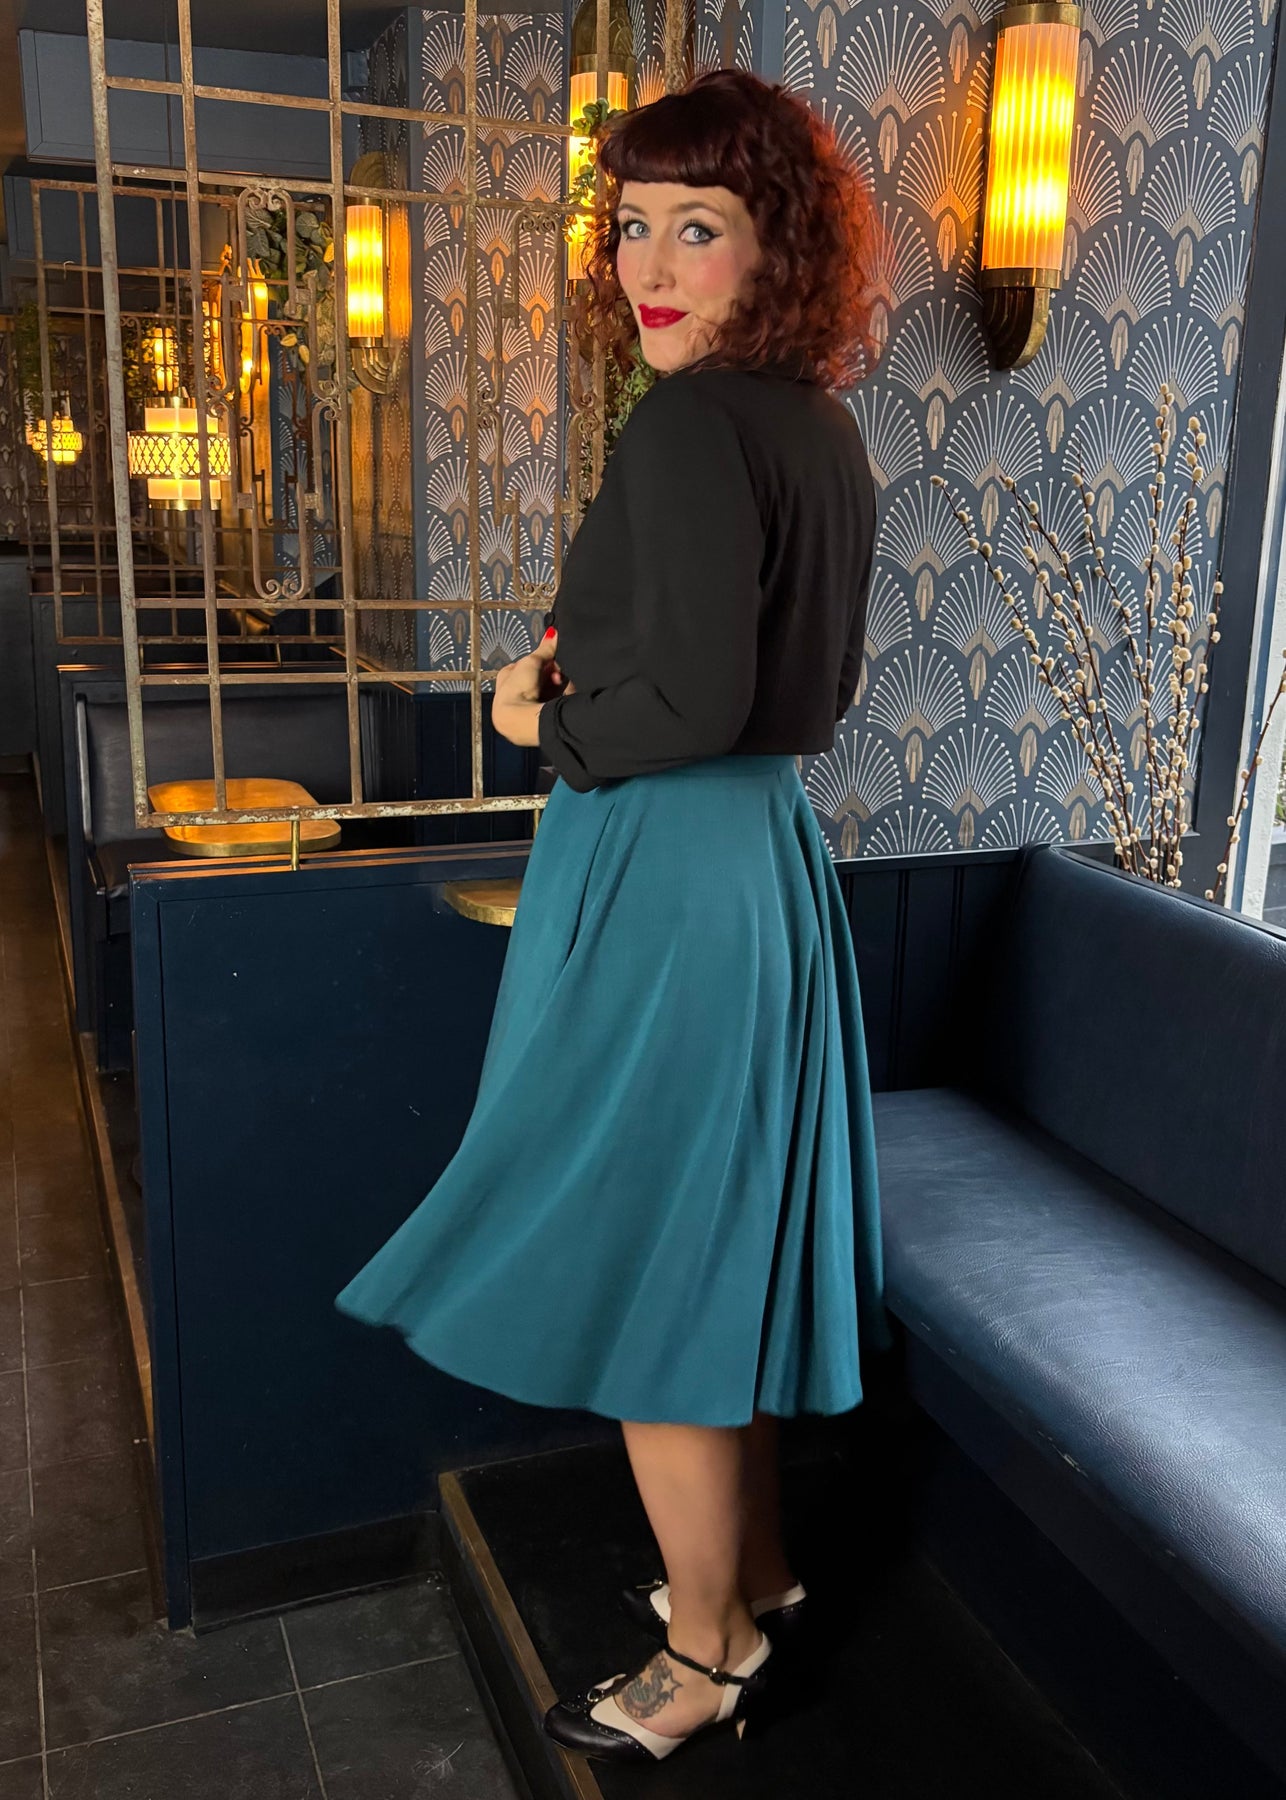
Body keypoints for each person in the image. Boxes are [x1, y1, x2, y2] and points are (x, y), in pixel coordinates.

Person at [334, 65, 889, 1765]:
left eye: (695, 228)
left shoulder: (692, 423)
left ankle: (709, 1651)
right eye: (632, 225)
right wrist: (603, 677)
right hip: (757, 865)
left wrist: (538, 719)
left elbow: (696, 700)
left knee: (657, 1264)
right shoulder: (819, 427)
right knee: (710, 1247)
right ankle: (759, 1570)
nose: (649, 264)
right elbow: (796, 692)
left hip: (664, 868)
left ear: (773, 247)